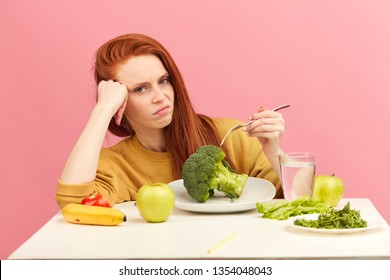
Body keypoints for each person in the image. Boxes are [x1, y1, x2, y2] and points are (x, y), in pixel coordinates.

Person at [55, 33, 286, 208]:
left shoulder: (232, 135)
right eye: (140, 89)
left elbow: (306, 200)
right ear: (120, 102)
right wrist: (102, 109)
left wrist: (274, 151)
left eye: (164, 81)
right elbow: (73, 203)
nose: (160, 97)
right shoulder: (116, 164)